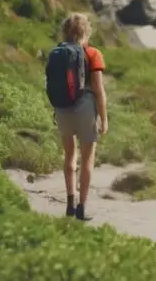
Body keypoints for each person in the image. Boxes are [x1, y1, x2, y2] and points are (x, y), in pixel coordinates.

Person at [45, 12, 108, 221]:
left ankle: (70, 204)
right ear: (86, 32)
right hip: (85, 108)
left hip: (62, 108)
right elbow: (98, 90)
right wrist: (104, 118)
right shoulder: (92, 53)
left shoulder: (58, 52)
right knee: (87, 158)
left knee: (69, 156)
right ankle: (82, 207)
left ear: (65, 31)